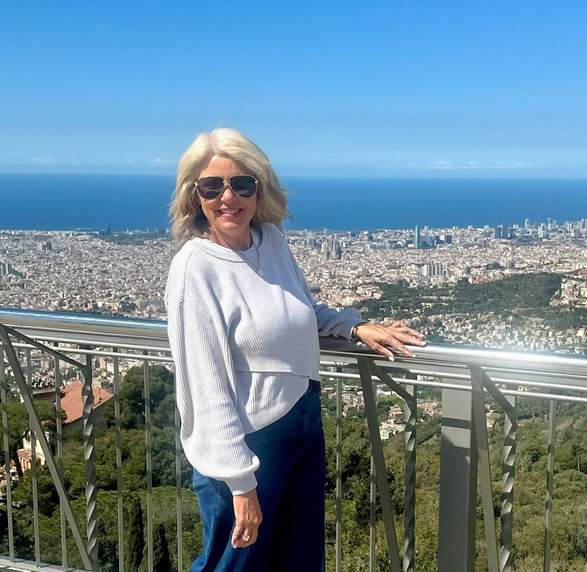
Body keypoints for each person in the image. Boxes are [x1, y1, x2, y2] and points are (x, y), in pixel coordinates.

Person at [164, 128, 425, 570]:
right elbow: (204, 388)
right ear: (195, 196)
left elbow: (300, 309)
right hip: (248, 444)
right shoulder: (195, 269)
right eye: (212, 186)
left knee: (297, 561)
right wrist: (241, 484)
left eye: (241, 183)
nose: (228, 197)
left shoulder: (271, 242)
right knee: (234, 565)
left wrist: (355, 327)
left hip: (303, 424)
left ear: (260, 188)